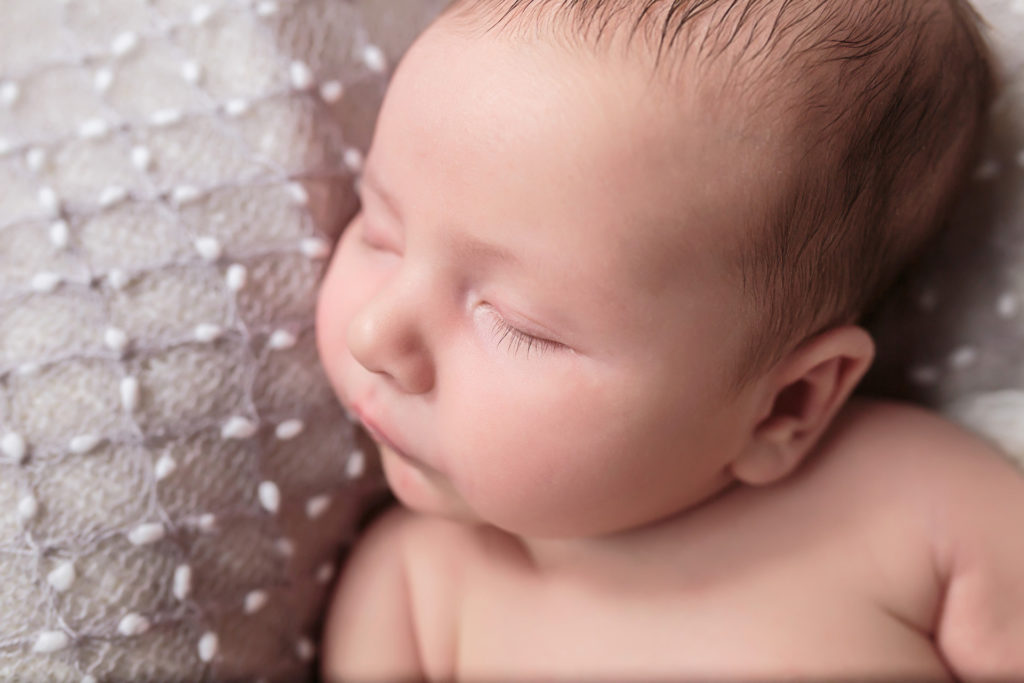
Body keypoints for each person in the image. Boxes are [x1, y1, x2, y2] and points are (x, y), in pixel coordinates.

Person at [315, 0, 1024, 678]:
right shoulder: (415, 593)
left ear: (788, 404)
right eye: (379, 233)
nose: (375, 333)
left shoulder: (915, 505)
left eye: (516, 323)